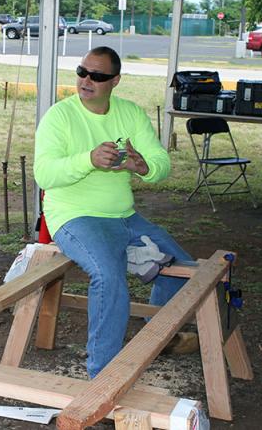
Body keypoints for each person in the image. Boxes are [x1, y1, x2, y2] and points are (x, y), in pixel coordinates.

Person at [34, 46, 191, 378]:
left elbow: (162, 165)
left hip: (124, 217)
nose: (86, 80)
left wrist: (144, 166)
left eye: (98, 76)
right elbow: (45, 175)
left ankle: (155, 334)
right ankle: (102, 377)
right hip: (73, 216)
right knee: (108, 276)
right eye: (82, 72)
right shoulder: (59, 116)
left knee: (185, 270)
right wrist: (88, 160)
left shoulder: (130, 113)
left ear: (115, 80)